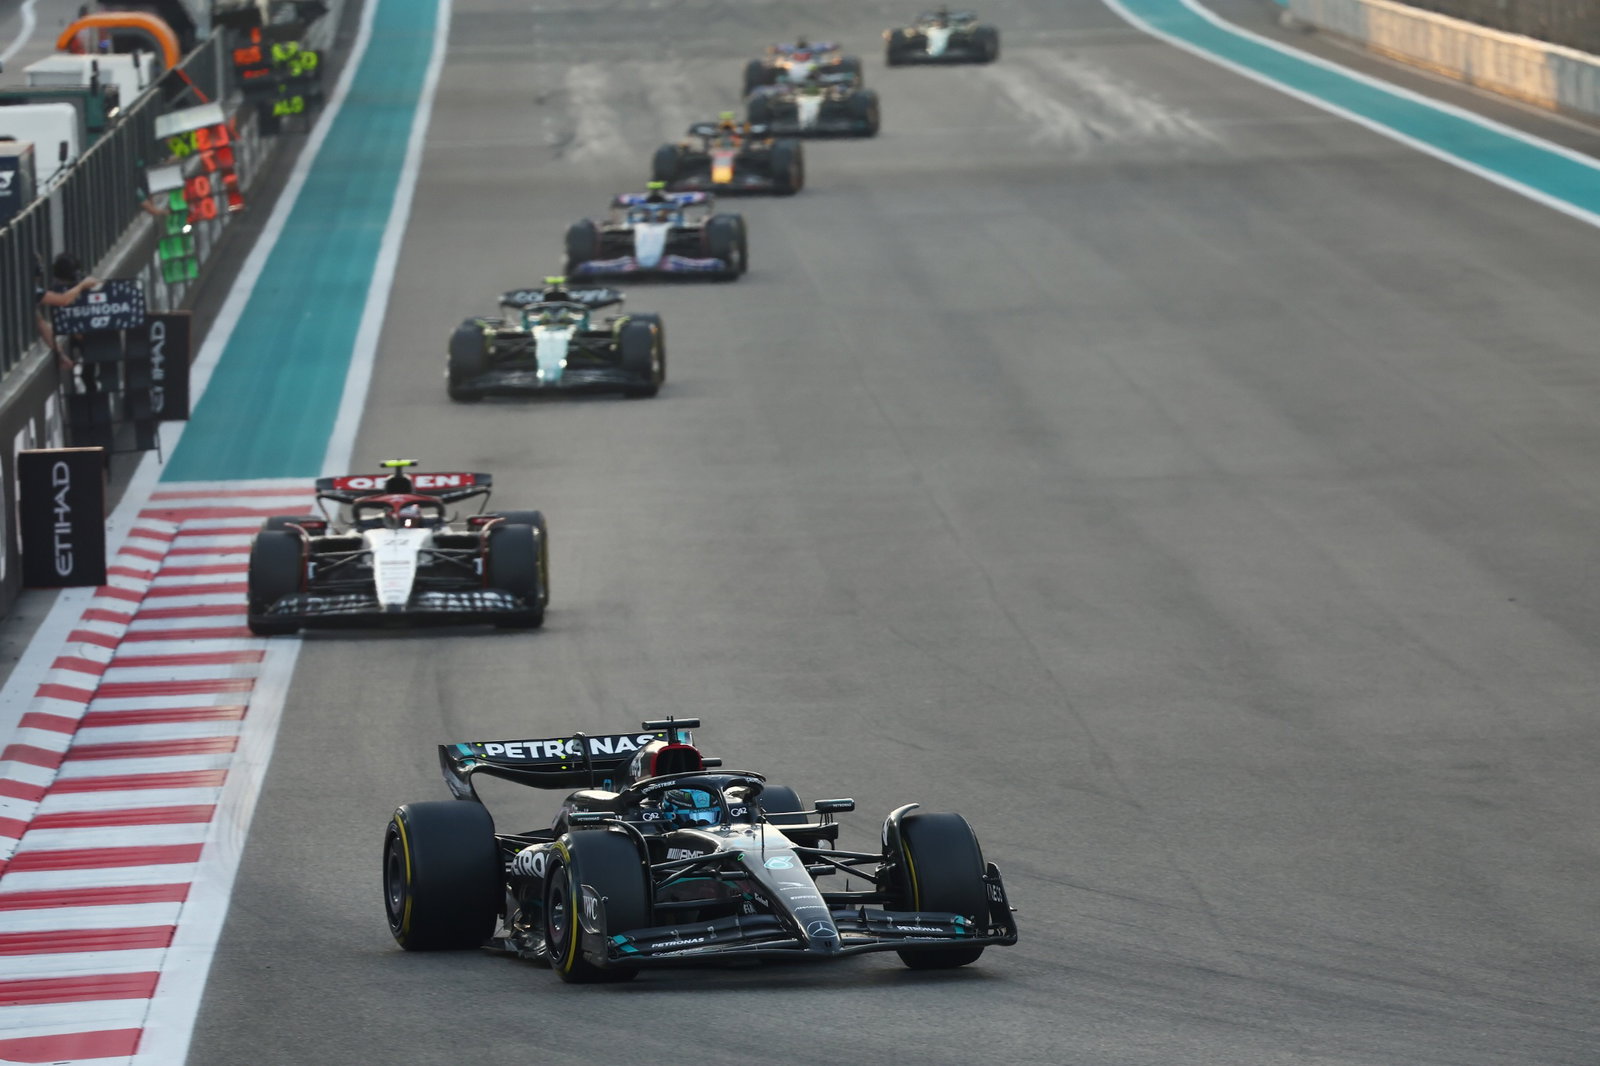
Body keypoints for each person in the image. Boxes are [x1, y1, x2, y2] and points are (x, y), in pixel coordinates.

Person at [35, 254, 100, 379]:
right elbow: (63, 300)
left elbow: (41, 323)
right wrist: (81, 286)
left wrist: (59, 353)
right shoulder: (34, 290)